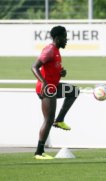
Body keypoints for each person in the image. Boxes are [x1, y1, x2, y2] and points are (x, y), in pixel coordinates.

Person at [31, 26, 79, 159]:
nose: (66, 40)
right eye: (64, 37)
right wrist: (44, 83)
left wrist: (61, 73)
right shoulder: (49, 50)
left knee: (74, 91)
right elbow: (34, 67)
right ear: (57, 38)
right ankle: (39, 152)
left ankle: (60, 120)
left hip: (53, 86)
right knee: (48, 119)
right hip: (47, 88)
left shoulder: (56, 51)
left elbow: (52, 69)